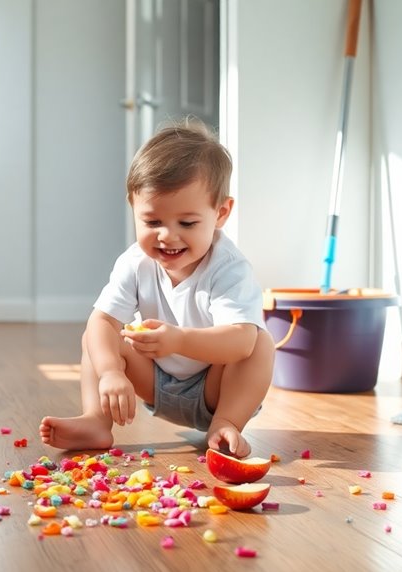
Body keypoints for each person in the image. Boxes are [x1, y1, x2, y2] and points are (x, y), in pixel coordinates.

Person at [39, 119, 274, 458]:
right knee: (99, 333)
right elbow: (102, 322)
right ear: (133, 209)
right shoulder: (135, 262)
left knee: (260, 345)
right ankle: (95, 421)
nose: (167, 235)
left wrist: (178, 339)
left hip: (217, 389)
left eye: (187, 223)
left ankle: (226, 425)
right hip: (156, 380)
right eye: (152, 222)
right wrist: (110, 372)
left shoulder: (229, 268)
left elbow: (240, 342)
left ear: (221, 213)